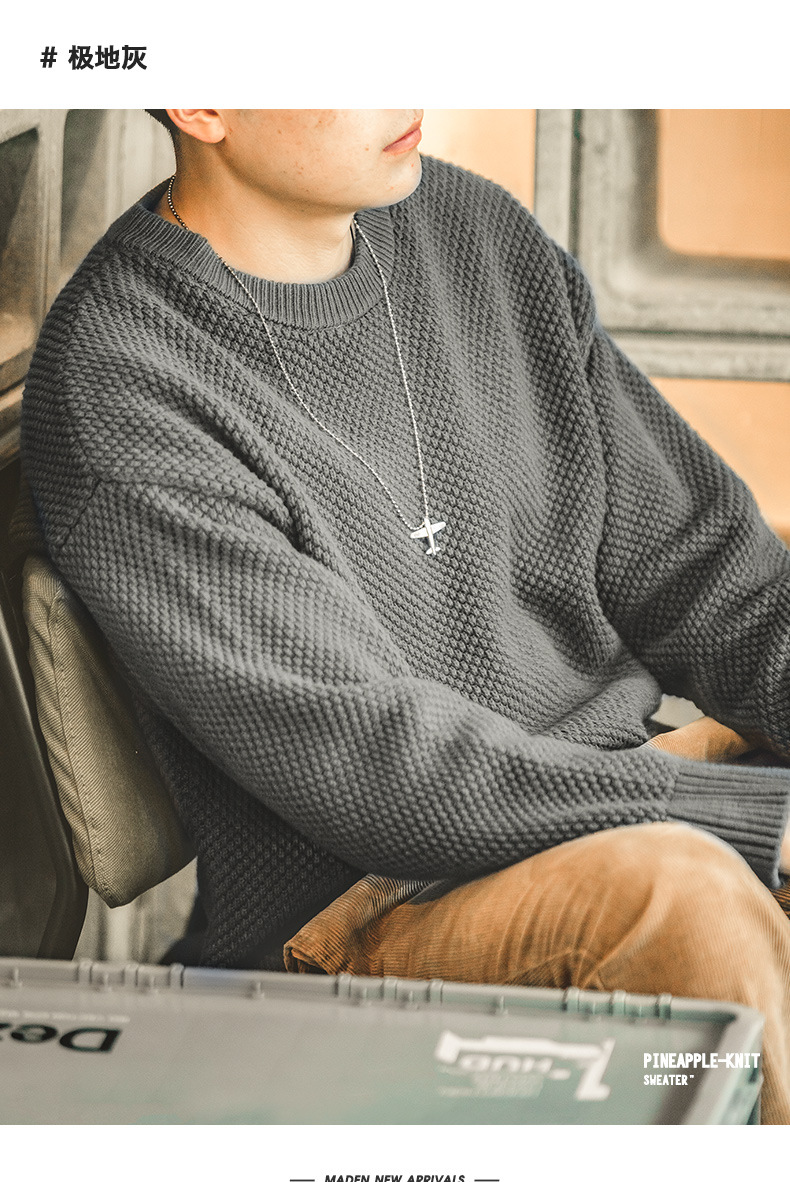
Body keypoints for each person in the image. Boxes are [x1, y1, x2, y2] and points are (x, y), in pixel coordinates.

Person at [21, 109, 790, 1122]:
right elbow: (382, 770)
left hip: (600, 787)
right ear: (204, 104)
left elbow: (710, 572)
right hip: (367, 907)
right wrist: (754, 821)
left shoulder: (471, 232)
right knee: (682, 891)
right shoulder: (124, 378)